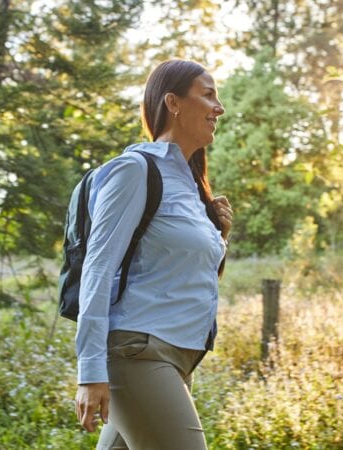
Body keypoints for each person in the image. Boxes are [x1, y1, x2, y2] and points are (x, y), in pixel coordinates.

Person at [74, 59, 233, 450]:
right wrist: (90, 370)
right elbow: (98, 268)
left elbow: (185, 276)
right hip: (139, 354)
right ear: (173, 103)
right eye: (209, 95)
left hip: (175, 357)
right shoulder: (135, 170)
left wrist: (221, 236)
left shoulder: (191, 186)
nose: (220, 107)